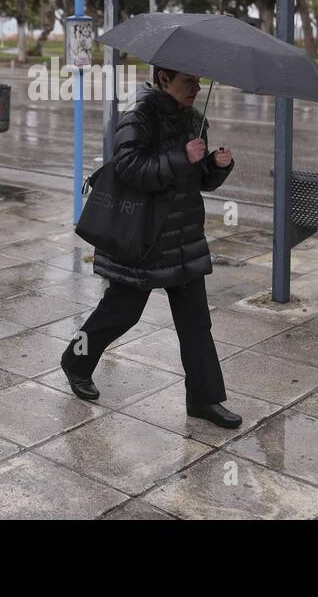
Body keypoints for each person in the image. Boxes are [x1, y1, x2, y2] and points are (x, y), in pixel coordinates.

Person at [61, 64, 241, 428]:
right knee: (121, 312)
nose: (196, 86)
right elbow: (129, 168)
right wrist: (182, 157)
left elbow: (198, 179)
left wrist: (215, 165)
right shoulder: (138, 116)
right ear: (163, 79)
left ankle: (205, 401)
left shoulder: (193, 119)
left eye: (198, 80)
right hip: (143, 237)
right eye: (188, 80)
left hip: (184, 237)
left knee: (195, 324)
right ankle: (76, 361)